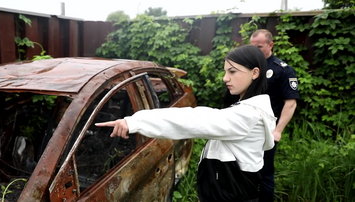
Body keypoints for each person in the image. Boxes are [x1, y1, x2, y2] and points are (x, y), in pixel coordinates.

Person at [96, 45, 276, 202]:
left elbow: (192, 120)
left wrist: (134, 121)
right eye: (225, 71)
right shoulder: (250, 110)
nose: (225, 78)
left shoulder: (247, 116)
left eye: (232, 71)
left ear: (254, 73)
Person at [250, 29, 300, 202]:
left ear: (271, 45)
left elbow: (290, 103)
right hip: (246, 127)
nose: (255, 50)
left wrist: (278, 131)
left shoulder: (283, 70)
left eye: (260, 46)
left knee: (265, 173)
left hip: (267, 131)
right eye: (253, 46)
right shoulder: (248, 67)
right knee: (244, 169)